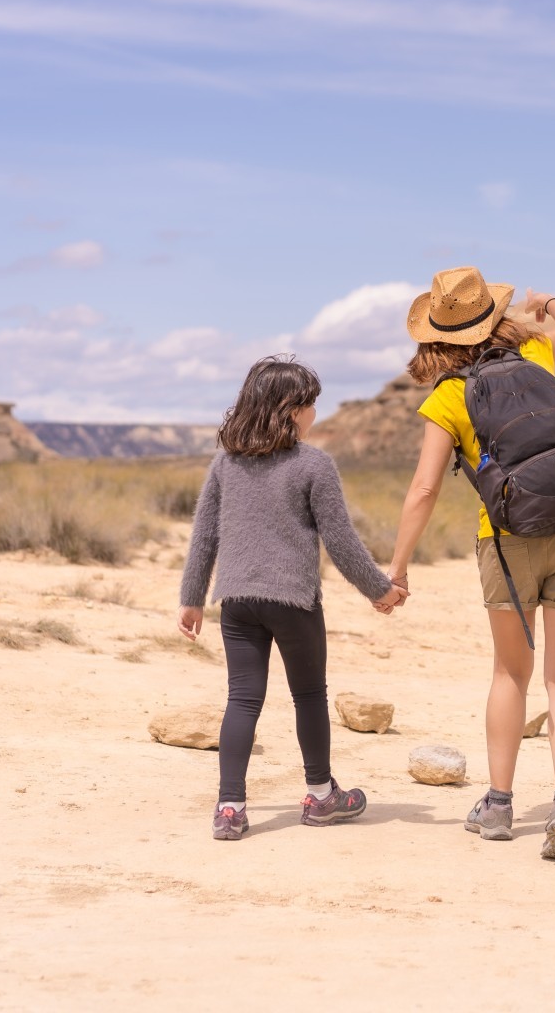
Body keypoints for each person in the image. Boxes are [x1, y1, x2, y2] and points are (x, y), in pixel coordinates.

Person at [388, 265, 555, 862]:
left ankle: (499, 804)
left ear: (438, 336)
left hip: (507, 540)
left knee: (509, 674)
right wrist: (546, 300)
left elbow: (424, 489)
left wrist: (399, 566)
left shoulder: (448, 396)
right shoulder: (538, 354)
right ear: (492, 317)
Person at [178, 355, 407, 841]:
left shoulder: (226, 464)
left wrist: (192, 598)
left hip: (237, 601)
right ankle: (322, 796)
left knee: (242, 698)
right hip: (293, 601)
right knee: (308, 695)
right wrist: (380, 590)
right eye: (310, 404)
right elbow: (341, 542)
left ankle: (230, 808)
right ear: (289, 408)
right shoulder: (314, 465)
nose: (315, 413)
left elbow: (204, 535)